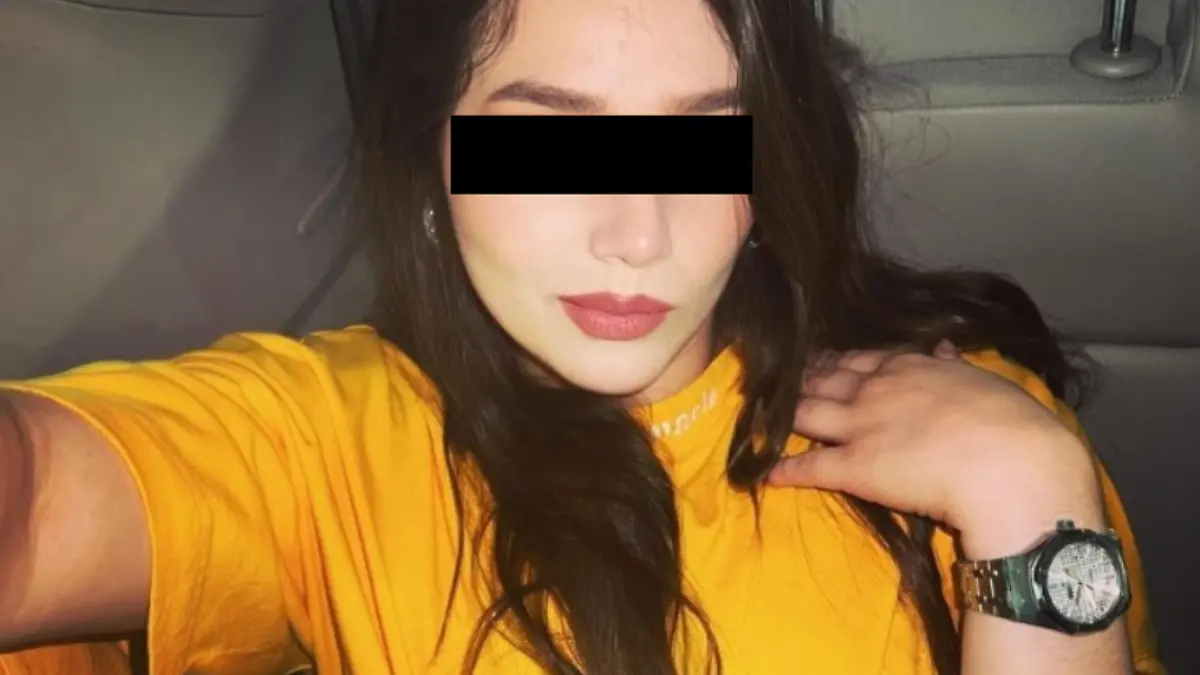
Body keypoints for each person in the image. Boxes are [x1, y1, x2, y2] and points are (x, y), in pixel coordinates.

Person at [0, 0, 1166, 673]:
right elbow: (35, 500)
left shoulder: (977, 428)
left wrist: (1031, 501)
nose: (637, 234)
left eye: (701, 142)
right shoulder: (325, 437)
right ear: (430, 164)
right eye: (549, 141)